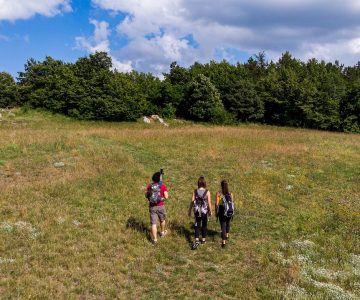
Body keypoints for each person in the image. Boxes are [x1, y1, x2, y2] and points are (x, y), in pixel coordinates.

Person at [188, 176, 212, 250]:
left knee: (197, 225)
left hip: (197, 211)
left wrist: (189, 210)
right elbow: (209, 203)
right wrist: (210, 211)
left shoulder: (195, 191)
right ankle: (203, 240)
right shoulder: (207, 192)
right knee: (204, 225)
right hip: (204, 211)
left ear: (198, 183)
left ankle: (197, 240)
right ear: (204, 183)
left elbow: (192, 202)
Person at [145, 171, 168, 245]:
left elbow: (147, 195)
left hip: (152, 206)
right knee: (162, 219)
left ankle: (155, 240)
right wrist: (161, 199)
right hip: (160, 205)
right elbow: (166, 197)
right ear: (160, 179)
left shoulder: (149, 186)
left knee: (153, 223)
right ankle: (162, 232)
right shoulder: (162, 186)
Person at [215, 180, 234, 248]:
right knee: (228, 223)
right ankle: (227, 235)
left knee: (223, 225)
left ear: (221, 185)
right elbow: (232, 202)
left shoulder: (219, 193)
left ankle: (223, 241)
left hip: (222, 211)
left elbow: (217, 204)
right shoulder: (230, 193)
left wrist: (216, 212)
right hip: (229, 211)